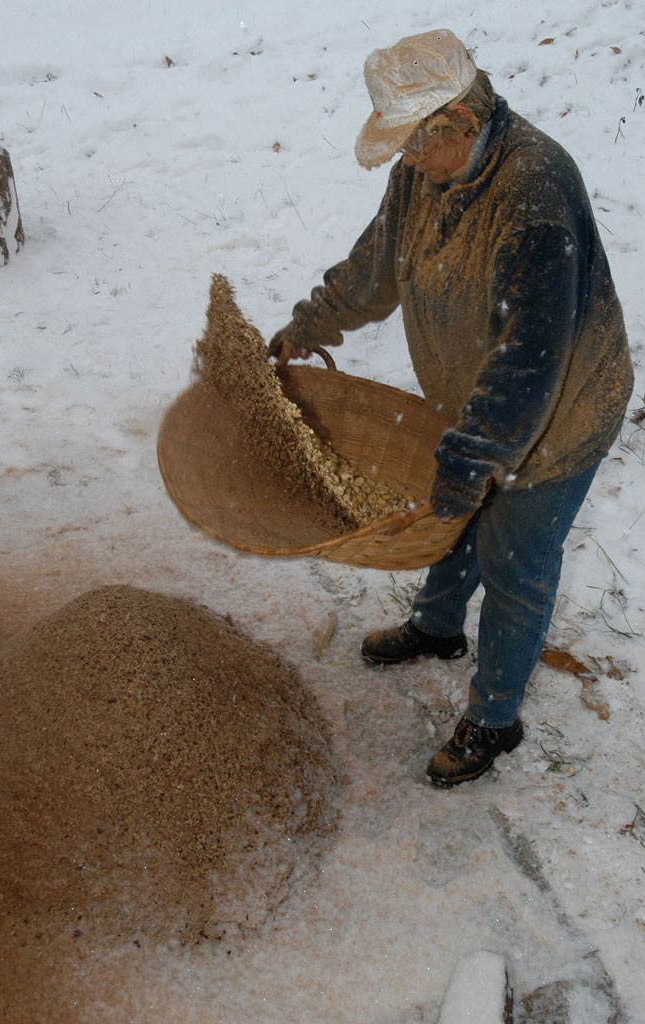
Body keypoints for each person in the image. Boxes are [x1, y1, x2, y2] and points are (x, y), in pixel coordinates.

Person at [268, 29, 634, 786]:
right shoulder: (426, 170)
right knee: (455, 508)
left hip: (558, 410)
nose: (403, 160)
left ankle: (494, 718)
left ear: (460, 122)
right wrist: (311, 323)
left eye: (411, 145)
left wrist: (471, 460)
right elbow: (378, 263)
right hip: (475, 393)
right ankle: (437, 628)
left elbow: (529, 363)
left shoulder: (533, 196)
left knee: (514, 557)